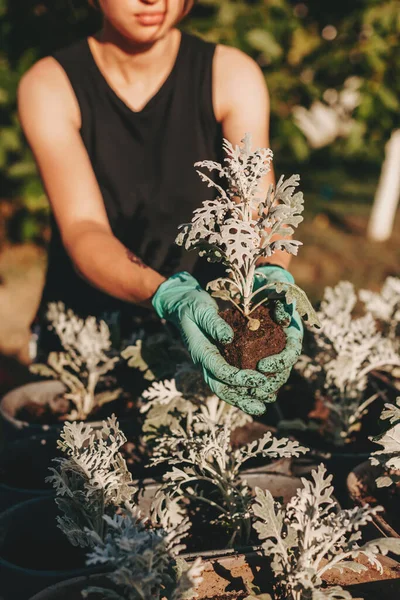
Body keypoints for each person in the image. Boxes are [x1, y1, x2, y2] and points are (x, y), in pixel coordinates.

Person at [17, 0, 302, 415]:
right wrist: (168, 294)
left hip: (208, 338)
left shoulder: (231, 75)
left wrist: (272, 280)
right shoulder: (50, 85)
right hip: (91, 338)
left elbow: (259, 207)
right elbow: (82, 227)